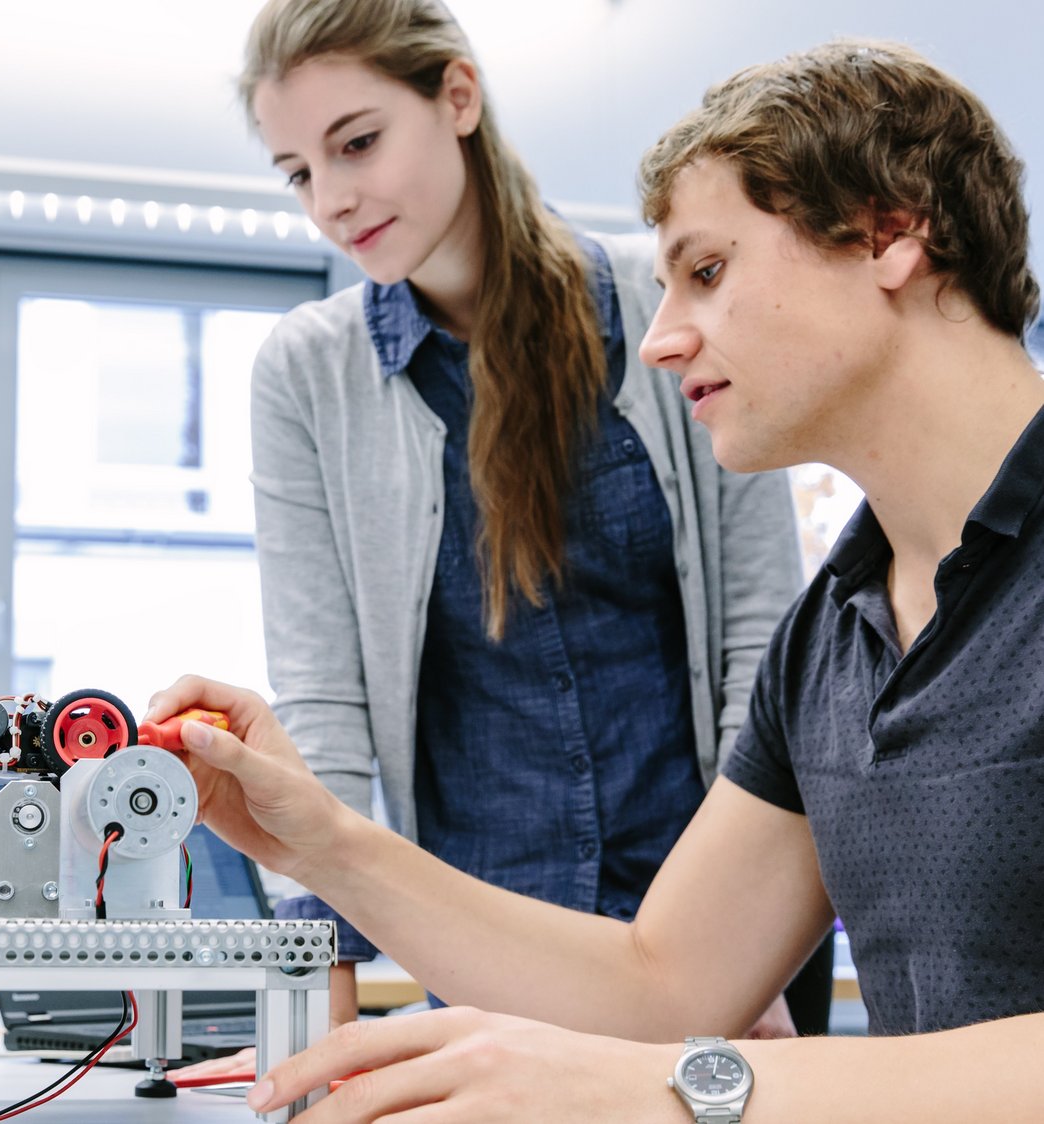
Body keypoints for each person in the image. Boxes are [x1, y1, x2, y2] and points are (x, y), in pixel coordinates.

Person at [146, 38, 1044, 1121]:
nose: (660, 341)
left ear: (889, 229)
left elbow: (663, 1042)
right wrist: (323, 841)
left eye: (707, 270)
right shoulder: (832, 642)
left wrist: (678, 1082)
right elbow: (660, 983)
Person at [223, 0, 818, 1053]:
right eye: (300, 171)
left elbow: (762, 647)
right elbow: (324, 707)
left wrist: (750, 950)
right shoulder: (307, 375)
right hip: (493, 964)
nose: (334, 199)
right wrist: (319, 1000)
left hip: (719, 950)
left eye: (357, 142)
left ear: (457, 97)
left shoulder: (666, 308)